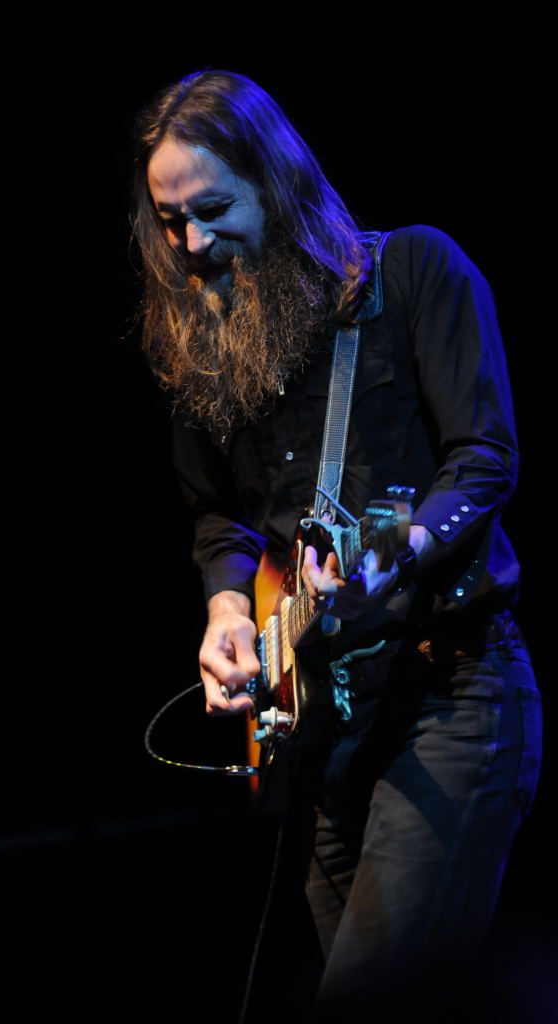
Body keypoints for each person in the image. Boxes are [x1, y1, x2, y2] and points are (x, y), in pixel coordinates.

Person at [131, 70, 542, 1021]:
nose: (192, 245)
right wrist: (227, 611)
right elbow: (218, 516)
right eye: (170, 221)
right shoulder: (202, 341)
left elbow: (484, 460)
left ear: (277, 185)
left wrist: (396, 553)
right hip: (324, 728)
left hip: (450, 698)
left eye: (213, 211)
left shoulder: (416, 272)